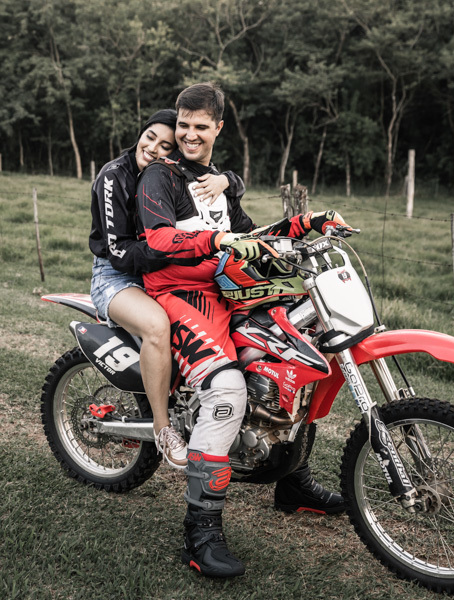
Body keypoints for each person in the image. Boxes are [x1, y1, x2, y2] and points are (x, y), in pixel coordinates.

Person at [136, 82, 349, 578]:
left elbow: (252, 235)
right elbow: (159, 236)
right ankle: (201, 530)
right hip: (179, 292)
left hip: (230, 289)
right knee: (227, 389)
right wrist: (218, 238)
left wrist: (307, 224)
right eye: (182, 126)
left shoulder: (217, 182)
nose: (188, 135)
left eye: (199, 127)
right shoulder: (160, 179)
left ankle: (291, 479)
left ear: (218, 128)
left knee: (303, 353)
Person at [87, 109, 244, 468]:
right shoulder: (115, 175)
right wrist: (175, 247)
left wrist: (229, 182)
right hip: (116, 275)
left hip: (162, 270)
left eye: (165, 145)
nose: (154, 148)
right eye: (150, 137)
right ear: (139, 134)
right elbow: (119, 252)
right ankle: (163, 429)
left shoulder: (172, 177)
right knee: (157, 326)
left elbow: (214, 178)